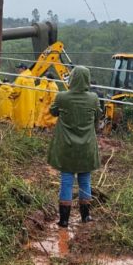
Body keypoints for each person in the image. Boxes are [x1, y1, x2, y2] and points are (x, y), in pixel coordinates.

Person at [48, 65, 100, 228]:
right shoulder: (93, 98)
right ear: (87, 79)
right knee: (85, 180)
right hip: (86, 147)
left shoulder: (62, 97)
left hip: (67, 147)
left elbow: (53, 112)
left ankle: (64, 220)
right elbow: (99, 115)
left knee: (66, 181)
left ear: (72, 78)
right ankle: (86, 216)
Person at [11, 62, 37, 130]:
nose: (18, 70)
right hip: (30, 104)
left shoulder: (20, 78)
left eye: (19, 68)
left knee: (20, 123)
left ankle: (19, 138)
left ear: (23, 68)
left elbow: (16, 91)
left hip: (21, 104)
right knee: (28, 123)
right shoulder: (31, 79)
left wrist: (10, 93)